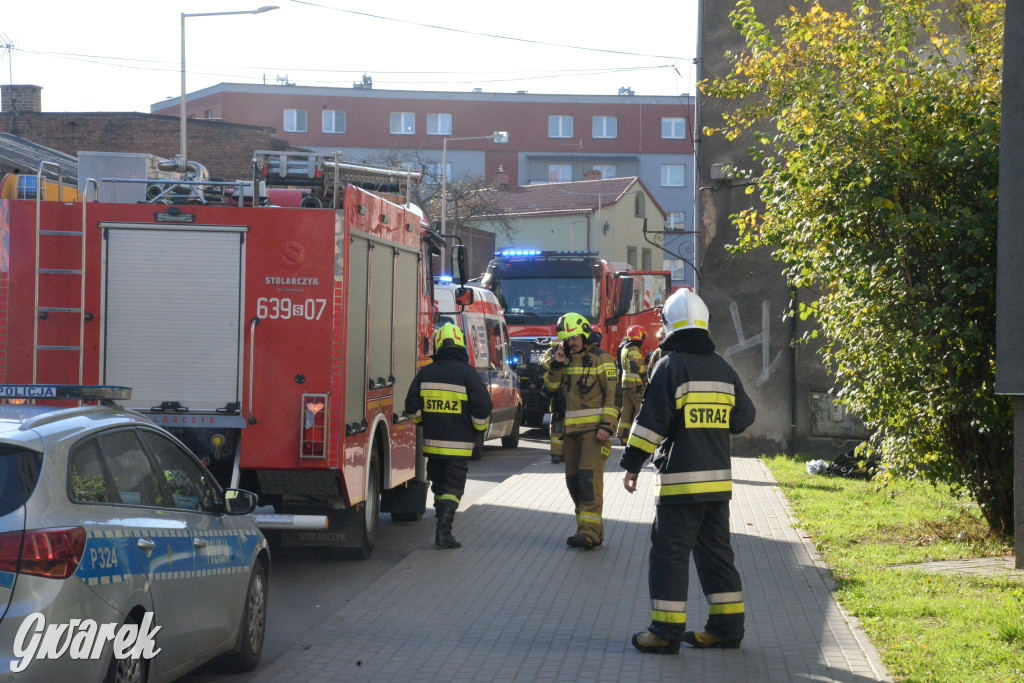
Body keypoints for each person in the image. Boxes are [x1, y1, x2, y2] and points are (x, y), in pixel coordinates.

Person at [620, 289, 756, 653]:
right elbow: (744, 417)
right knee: (716, 554)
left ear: (669, 327)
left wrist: (631, 464)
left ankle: (664, 634)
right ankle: (726, 628)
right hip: (717, 485)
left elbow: (651, 423)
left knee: (669, 554)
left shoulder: (671, 366)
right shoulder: (723, 367)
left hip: (681, 483)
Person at [406, 323, 493, 549]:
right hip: (459, 447)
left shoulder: (425, 372)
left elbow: (411, 407)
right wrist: (478, 428)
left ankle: (441, 529)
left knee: (439, 486)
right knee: (453, 489)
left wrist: (425, 422)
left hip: (433, 446)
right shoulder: (468, 374)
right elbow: (483, 407)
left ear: (437, 345)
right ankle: (444, 532)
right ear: (461, 344)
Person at [542, 312, 619, 550]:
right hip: (570, 432)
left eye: (573, 338)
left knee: (588, 480)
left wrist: (607, 426)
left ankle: (588, 533)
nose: (570, 343)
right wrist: (556, 363)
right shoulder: (561, 359)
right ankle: (588, 528)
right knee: (573, 482)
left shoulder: (602, 359)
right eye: (566, 339)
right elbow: (550, 388)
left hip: (594, 432)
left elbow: (614, 395)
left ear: (585, 335)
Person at [616, 325, 648, 444]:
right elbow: (635, 367)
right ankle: (636, 436)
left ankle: (623, 436)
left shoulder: (625, 347)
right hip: (635, 385)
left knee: (626, 411)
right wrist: (647, 367)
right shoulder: (634, 348)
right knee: (640, 410)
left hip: (625, 384)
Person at [538, 341, 565, 464]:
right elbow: (543, 364)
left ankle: (566, 453)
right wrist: (556, 361)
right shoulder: (552, 351)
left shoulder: (577, 351)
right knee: (557, 426)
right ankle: (556, 454)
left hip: (574, 394)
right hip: (557, 394)